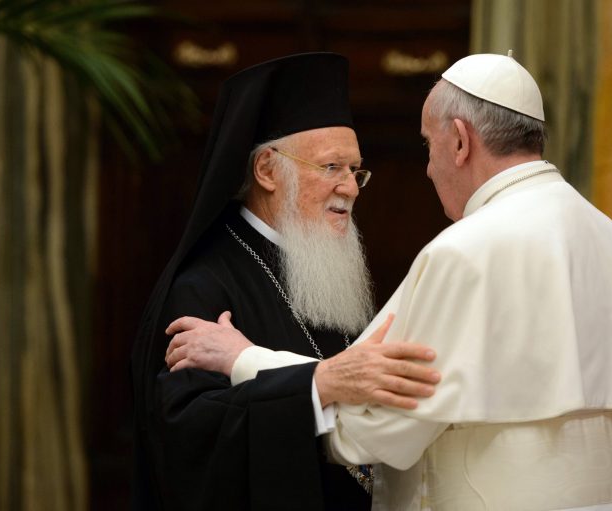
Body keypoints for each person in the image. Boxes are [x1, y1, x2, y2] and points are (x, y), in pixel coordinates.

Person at [166, 52, 612, 510]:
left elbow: (375, 431)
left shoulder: (466, 252)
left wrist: (246, 360)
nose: (428, 169)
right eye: (332, 167)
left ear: (460, 141)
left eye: (428, 146)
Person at [130, 52, 441, 511]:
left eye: (355, 170)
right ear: (267, 171)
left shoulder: (327, 274)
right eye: (332, 167)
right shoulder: (203, 287)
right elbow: (190, 434)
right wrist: (316, 385)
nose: (351, 187)